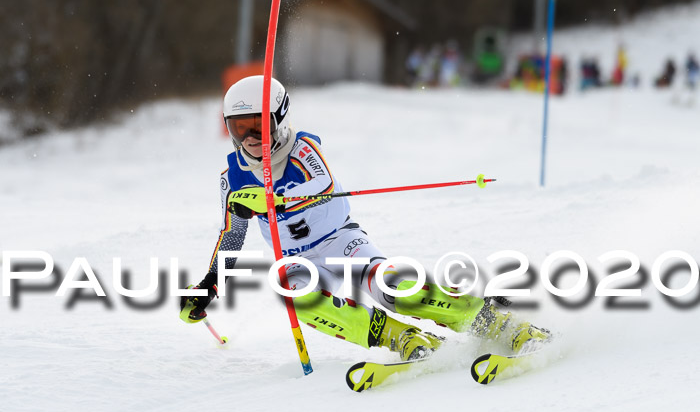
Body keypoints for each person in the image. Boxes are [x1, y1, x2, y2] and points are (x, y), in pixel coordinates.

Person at [179, 75, 552, 361]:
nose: (250, 137)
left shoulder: (302, 147)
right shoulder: (233, 176)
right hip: (296, 260)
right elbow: (232, 234)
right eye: (239, 127)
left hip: (341, 240)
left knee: (388, 286)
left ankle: (493, 321)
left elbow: (322, 184)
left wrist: (272, 200)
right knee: (297, 298)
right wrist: (209, 284)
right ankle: (401, 337)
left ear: (278, 117)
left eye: (258, 124)